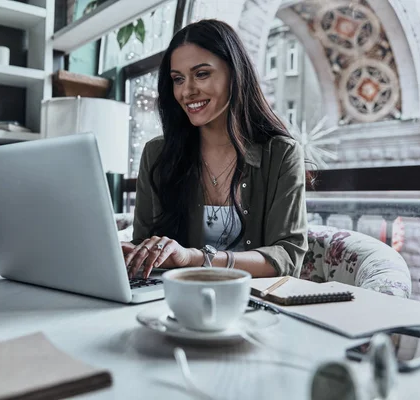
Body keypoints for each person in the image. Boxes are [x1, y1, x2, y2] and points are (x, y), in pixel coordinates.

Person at [121, 19, 308, 280]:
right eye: (178, 79)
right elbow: (144, 245)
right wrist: (134, 253)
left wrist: (196, 258)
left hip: (255, 305)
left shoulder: (281, 154)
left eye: (201, 74)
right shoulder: (157, 155)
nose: (187, 91)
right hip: (173, 300)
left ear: (235, 73)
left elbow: (287, 257)